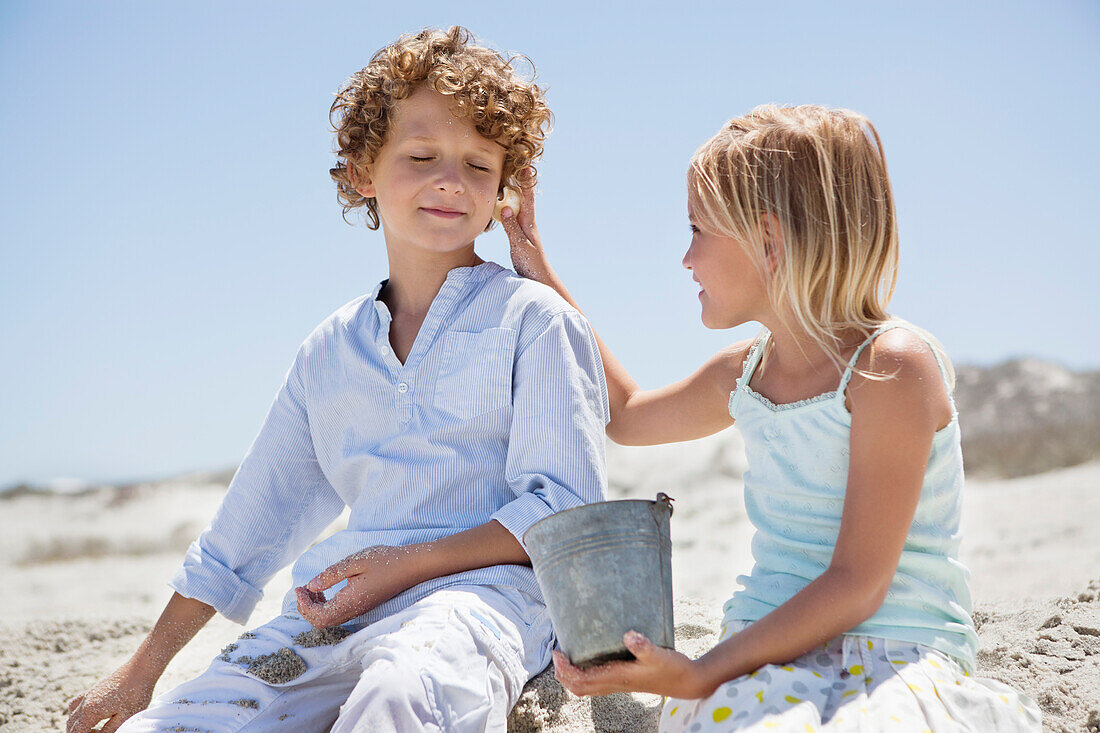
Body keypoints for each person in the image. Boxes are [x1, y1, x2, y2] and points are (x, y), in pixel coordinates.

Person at [67, 26, 609, 733]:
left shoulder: (534, 320)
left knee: (398, 697)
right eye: (421, 156)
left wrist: (404, 564)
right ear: (362, 171)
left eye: (479, 165)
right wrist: (140, 673)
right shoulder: (329, 350)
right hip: (335, 607)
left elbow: (565, 510)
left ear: (503, 187)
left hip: (483, 601)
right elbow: (247, 527)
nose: (451, 179)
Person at [500, 105, 1042, 730]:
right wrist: (536, 264)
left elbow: (857, 583)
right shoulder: (745, 374)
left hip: (893, 652)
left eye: (698, 231)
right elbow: (623, 414)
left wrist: (702, 672)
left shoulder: (889, 369)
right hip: (762, 649)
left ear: (768, 240)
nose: (685, 259)